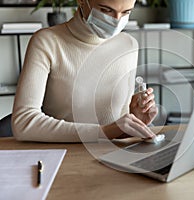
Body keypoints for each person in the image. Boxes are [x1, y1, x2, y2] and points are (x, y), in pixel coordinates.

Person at [11, 0, 158, 142]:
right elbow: (23, 122)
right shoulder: (47, 42)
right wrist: (103, 132)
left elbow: (117, 127)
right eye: (106, 10)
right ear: (82, 1)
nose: (117, 21)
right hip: (64, 157)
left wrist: (135, 117)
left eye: (126, 12)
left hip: (113, 155)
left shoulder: (129, 44)